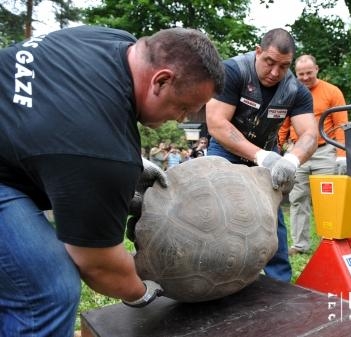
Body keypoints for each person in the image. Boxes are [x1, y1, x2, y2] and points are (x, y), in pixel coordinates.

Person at [0, 25, 224, 336]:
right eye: (184, 107)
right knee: (48, 290)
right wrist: (142, 293)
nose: (182, 118)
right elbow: (97, 264)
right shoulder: (101, 153)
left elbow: (62, 119)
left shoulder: (113, 40)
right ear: (161, 80)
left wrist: (125, 166)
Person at [205, 29, 318, 282]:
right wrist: (261, 157)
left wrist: (291, 160)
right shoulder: (232, 72)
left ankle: (280, 284)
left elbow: (310, 134)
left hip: (271, 156)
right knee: (219, 215)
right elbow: (216, 124)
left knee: (271, 217)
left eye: (284, 66)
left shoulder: (296, 90)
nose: (276, 72)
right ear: (258, 51)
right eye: (269, 62)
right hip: (225, 151)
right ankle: (218, 280)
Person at [278, 54, 348, 256]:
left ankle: (332, 241)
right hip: (297, 152)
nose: (306, 77)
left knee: (327, 198)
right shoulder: (291, 92)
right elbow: (283, 124)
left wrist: (341, 154)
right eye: (301, 74)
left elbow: (341, 124)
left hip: (324, 150)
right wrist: (277, 148)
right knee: (297, 198)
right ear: (296, 74)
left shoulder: (332, 92)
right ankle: (300, 245)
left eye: (309, 72)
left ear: (316, 69)